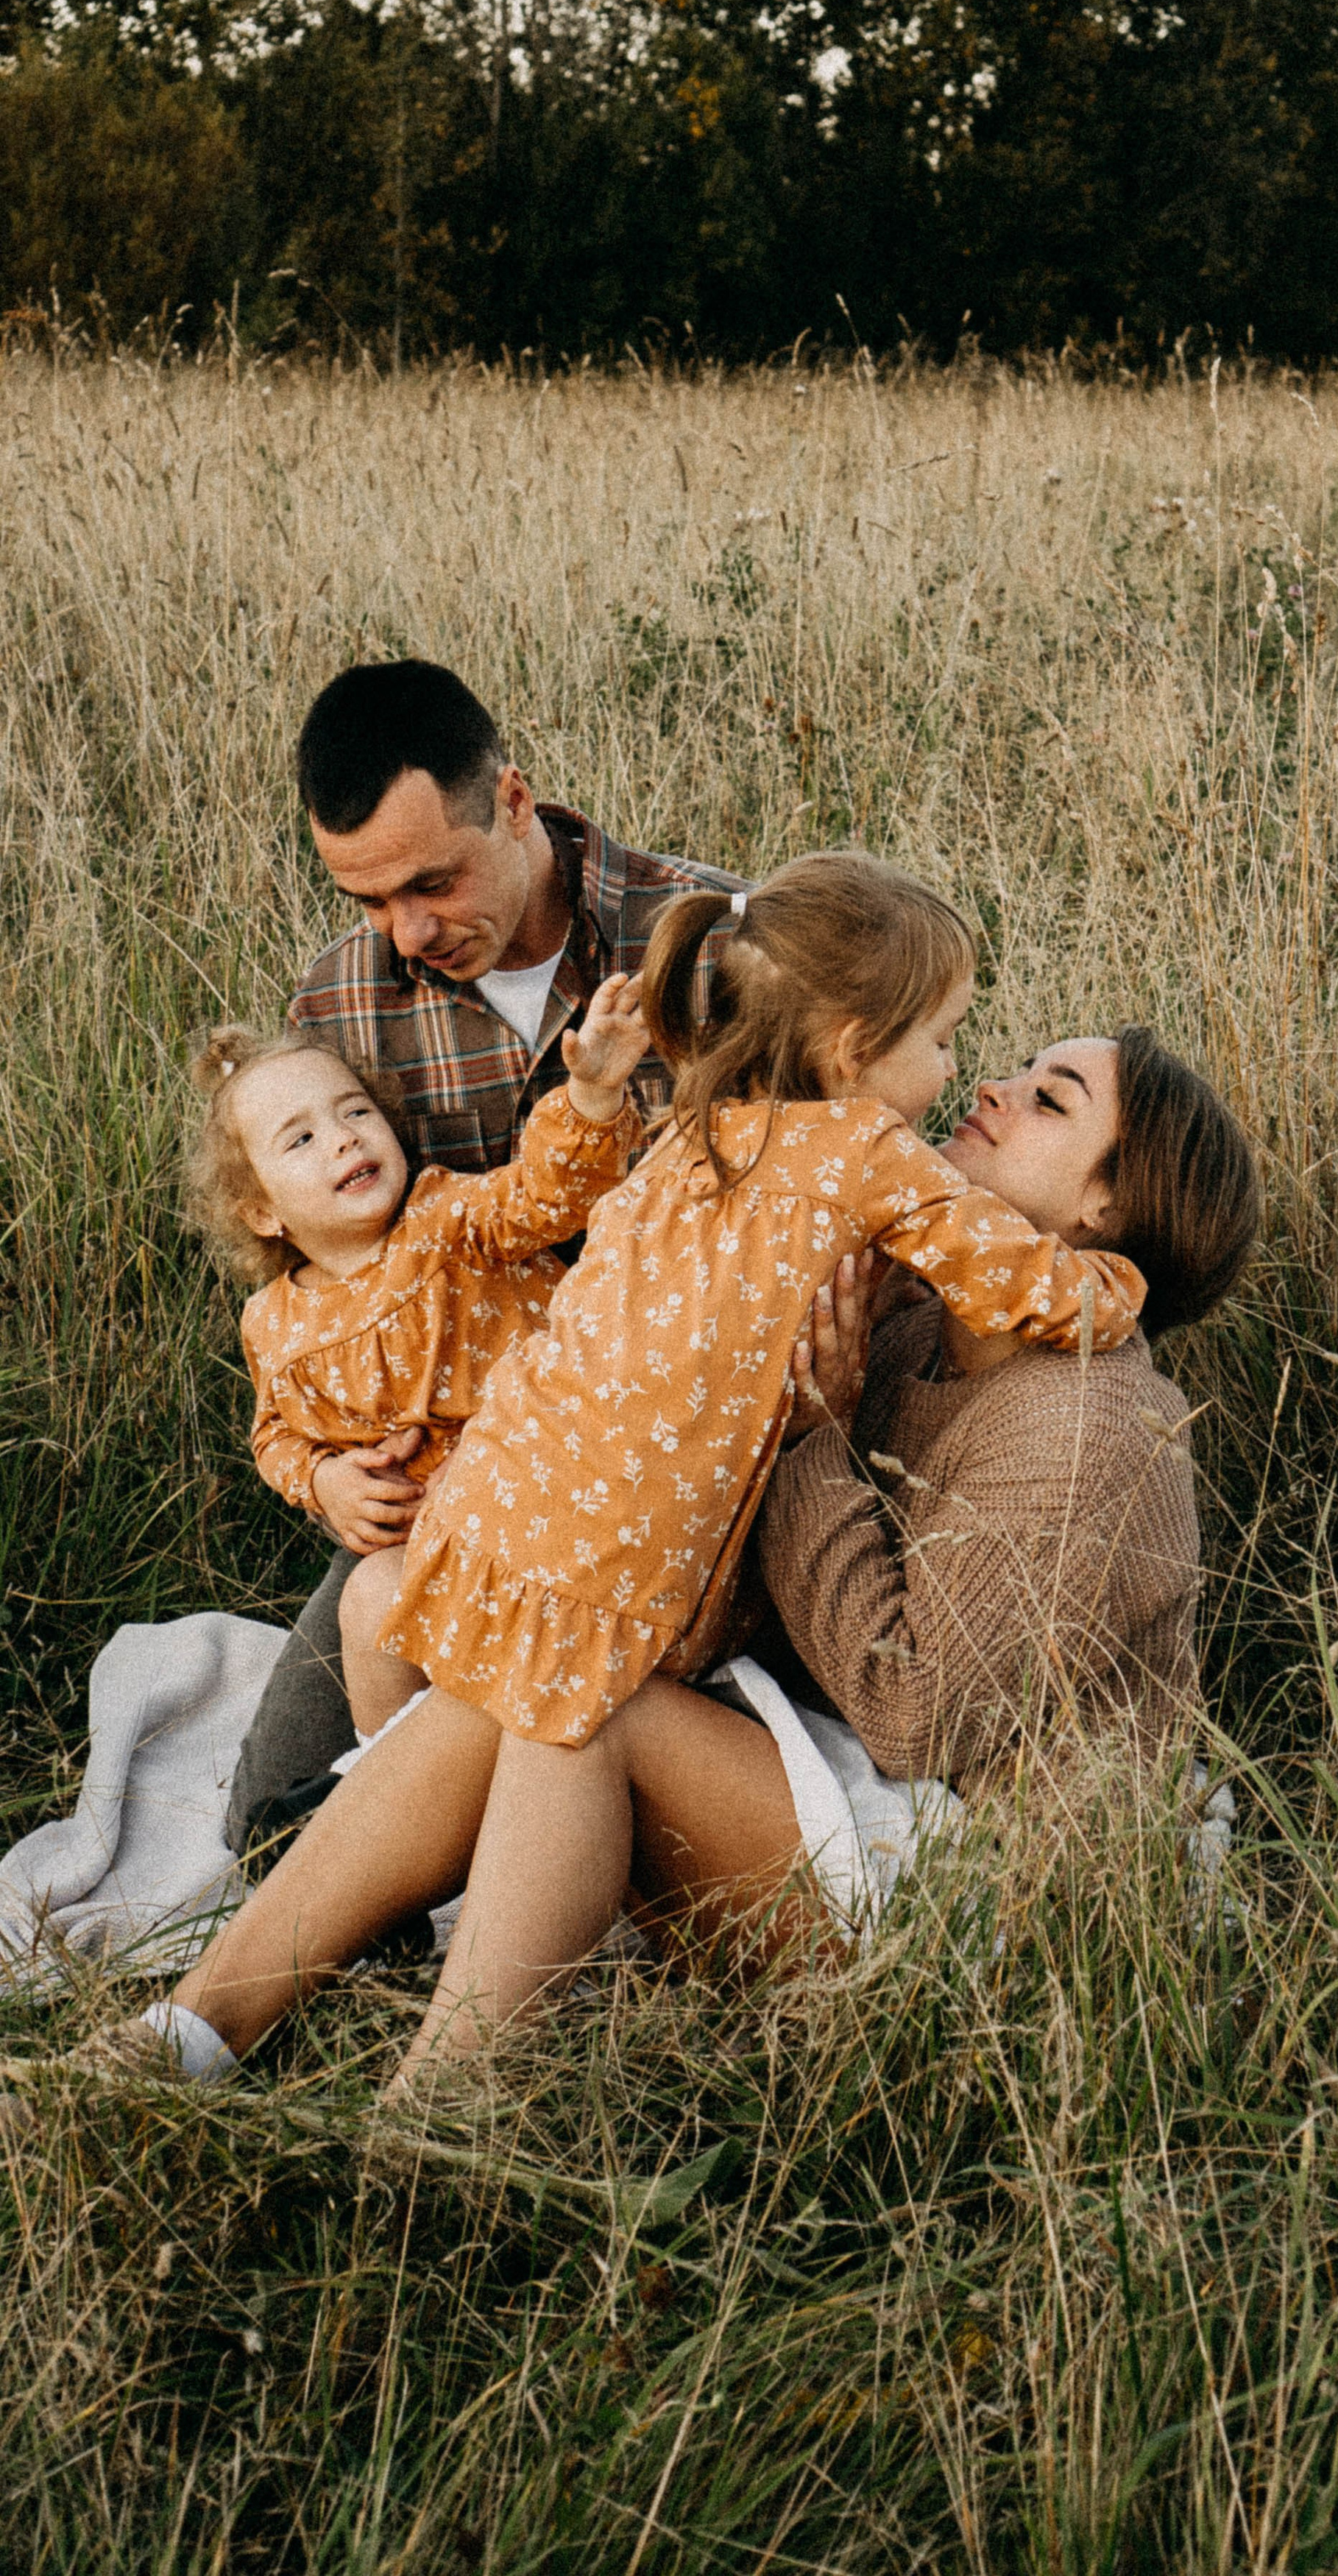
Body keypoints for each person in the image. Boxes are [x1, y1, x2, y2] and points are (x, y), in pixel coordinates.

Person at [77, 853, 1146, 2102]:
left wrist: (832, 1425)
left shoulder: (717, 1136)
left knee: (555, 1699)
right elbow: (980, 1289)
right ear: (856, 1047)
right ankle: (201, 2031)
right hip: (674, 1621)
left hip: (894, 1813)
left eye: (1049, 1102)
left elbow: (921, 1708)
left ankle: (421, 2100)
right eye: (957, 1045)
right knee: (522, 1695)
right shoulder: (870, 1188)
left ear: (1114, 1204)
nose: (978, 1085)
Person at [227, 659, 744, 1846]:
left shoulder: (711, 946)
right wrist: (339, 1472)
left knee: (568, 1745)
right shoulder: (343, 1008)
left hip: (666, 1442)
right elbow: (326, 1272)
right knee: (276, 1828)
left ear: (514, 802)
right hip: (460, 1479)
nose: (407, 934)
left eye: (431, 884)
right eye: (367, 901)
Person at [188, 973, 648, 1736]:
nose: (343, 1138)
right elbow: (274, 1435)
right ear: (262, 1211)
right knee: (369, 1596)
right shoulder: (272, 1322)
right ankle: (392, 1774)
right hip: (434, 1543)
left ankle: (470, 1763)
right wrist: (325, 1480)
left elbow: (548, 1196)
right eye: (301, 1140)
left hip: (553, 1492)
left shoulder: (445, 1220)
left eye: (356, 1111)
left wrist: (593, 1097)